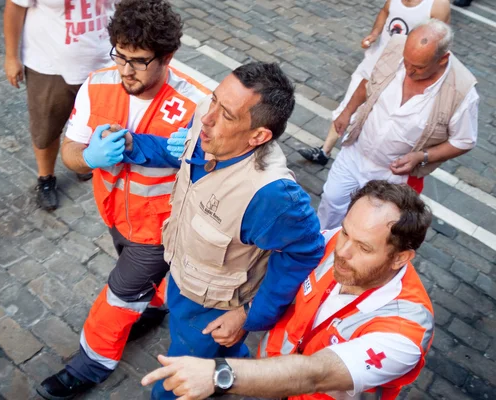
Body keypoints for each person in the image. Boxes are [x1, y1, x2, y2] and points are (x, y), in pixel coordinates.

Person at [104, 62, 325, 399]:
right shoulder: (210, 127)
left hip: (212, 308)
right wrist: (137, 146)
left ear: (258, 136)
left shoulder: (272, 196)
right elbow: (180, 151)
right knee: (207, 349)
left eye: (228, 114)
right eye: (214, 99)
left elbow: (304, 251)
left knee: (177, 379)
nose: (207, 118)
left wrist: (248, 316)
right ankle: (234, 367)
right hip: (181, 276)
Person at [36, 1, 210, 399]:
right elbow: (70, 150)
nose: (125, 70)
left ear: (167, 57)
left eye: (138, 61)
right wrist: (88, 157)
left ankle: (91, 363)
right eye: (120, 55)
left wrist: (197, 154)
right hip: (115, 215)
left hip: (159, 227)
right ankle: (157, 302)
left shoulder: (198, 103)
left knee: (118, 295)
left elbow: (220, 174)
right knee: (138, 287)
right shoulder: (98, 84)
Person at [141, 180, 434, 400]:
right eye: (346, 231)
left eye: (364, 247)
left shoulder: (405, 332)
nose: (342, 251)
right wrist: (246, 312)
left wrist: (219, 374)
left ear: (400, 257)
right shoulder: (332, 242)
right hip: (270, 381)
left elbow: (316, 373)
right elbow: (280, 273)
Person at [317, 19, 479, 230]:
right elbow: (368, 82)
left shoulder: (463, 92)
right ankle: (318, 251)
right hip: (356, 153)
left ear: (442, 59)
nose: (409, 70)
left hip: (393, 177)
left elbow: (464, 141)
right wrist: (347, 112)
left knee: (371, 227)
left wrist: (422, 157)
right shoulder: (395, 46)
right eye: (406, 62)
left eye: (419, 67)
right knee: (330, 202)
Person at [297, 0, 450, 166]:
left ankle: (360, 161)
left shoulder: (438, 5)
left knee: (374, 117)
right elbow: (385, 11)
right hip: (374, 62)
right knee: (348, 105)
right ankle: (325, 151)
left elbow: (438, 46)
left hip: (398, 72)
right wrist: (375, 34)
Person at [3, 0, 118, 211]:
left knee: (95, 122)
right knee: (46, 128)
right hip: (49, 67)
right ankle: (46, 177)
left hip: (103, 62)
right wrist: (11, 57)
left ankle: (82, 161)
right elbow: (15, 7)